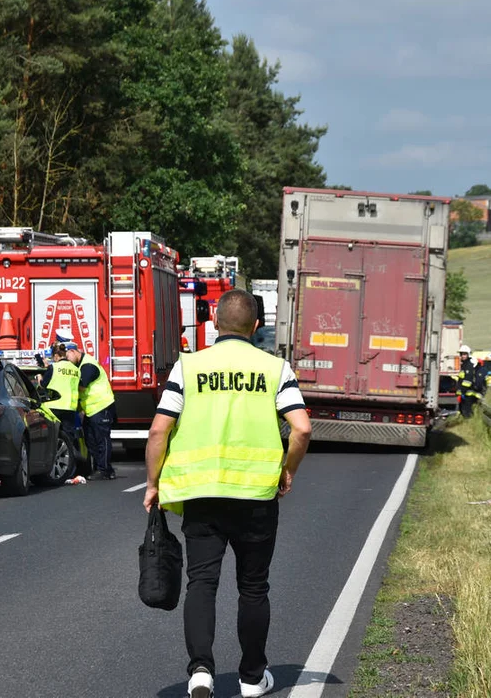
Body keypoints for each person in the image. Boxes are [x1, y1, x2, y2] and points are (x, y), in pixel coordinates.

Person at [144, 289, 312, 698]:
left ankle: (200, 672)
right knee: (253, 587)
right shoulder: (275, 368)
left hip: (202, 495)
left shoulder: (190, 366)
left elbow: (158, 430)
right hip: (256, 494)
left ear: (215, 323)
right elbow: (303, 428)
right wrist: (287, 471)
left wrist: (153, 483)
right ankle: (253, 678)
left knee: (201, 583)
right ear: (256, 327)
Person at [72, 343, 116, 479]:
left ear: (73, 351)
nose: (67, 360)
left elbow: (81, 387)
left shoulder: (88, 365)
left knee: (102, 440)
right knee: (91, 441)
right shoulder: (80, 365)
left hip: (102, 406)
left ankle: (104, 470)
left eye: (67, 356)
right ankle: (103, 468)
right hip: (91, 409)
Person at [40, 342, 80, 437]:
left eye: (53, 357)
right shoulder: (76, 369)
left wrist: (39, 378)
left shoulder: (53, 367)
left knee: (52, 436)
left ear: (57, 356)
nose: (53, 360)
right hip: (70, 407)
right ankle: (68, 451)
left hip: (53, 407)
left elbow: (43, 385)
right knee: (68, 437)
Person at [456, 345, 483, 417]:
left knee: (467, 413)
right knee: (463, 412)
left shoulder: (468, 365)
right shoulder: (464, 365)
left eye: (464, 354)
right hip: (465, 394)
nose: (462, 356)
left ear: (468, 354)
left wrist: (463, 392)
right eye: (461, 354)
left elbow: (467, 380)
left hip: (468, 394)